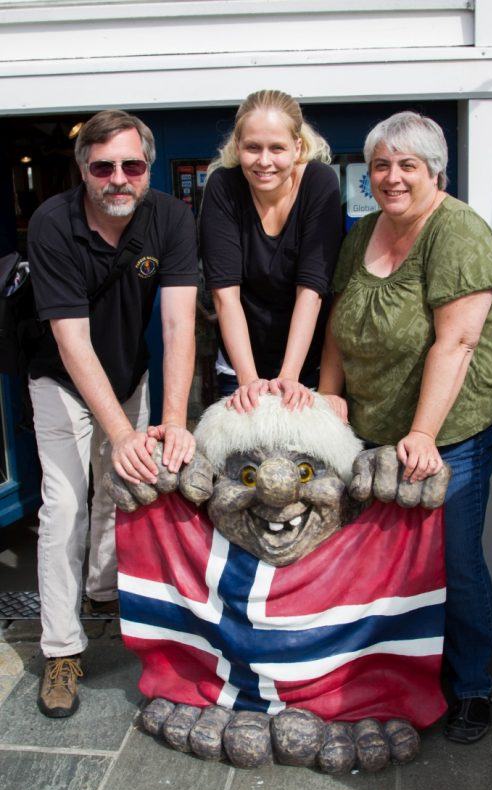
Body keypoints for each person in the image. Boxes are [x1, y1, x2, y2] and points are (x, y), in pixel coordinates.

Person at [319, 111, 492, 744]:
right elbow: (340, 322)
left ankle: (473, 687)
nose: (393, 177)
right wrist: (329, 396)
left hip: (448, 432)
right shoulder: (365, 231)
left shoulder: (459, 233)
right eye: (381, 165)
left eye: (409, 165)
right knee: (389, 565)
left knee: (453, 560)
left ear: (435, 171)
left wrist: (424, 433)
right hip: (375, 432)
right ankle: (400, 678)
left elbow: (454, 345)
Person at [27, 110, 198, 718]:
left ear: (147, 167)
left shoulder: (171, 217)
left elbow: (179, 324)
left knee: (117, 490)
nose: (118, 178)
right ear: (83, 172)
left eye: (131, 165)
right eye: (103, 167)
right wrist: (123, 431)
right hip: (60, 377)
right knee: (67, 502)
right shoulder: (53, 223)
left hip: (130, 373)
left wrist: (173, 419)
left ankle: (103, 590)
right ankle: (61, 648)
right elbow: (72, 342)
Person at [200, 89, 342, 413]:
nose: (264, 161)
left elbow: (312, 290)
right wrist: (248, 381)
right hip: (241, 364)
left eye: (277, 148)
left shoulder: (319, 183)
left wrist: (288, 378)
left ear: (298, 147)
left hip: (306, 365)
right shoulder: (223, 187)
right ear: (238, 147)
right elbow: (225, 295)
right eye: (253, 148)